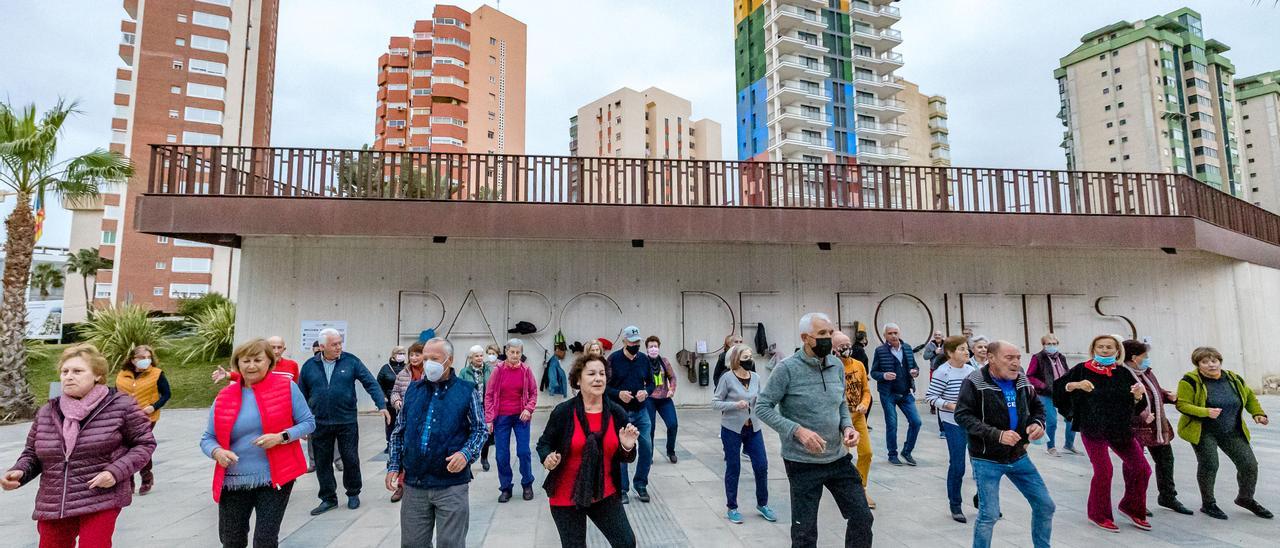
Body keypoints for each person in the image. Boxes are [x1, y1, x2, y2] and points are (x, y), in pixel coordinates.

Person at [2, 344, 157, 547]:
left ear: (97, 376)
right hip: (55, 500)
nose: (68, 376)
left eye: (77, 371)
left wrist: (115, 472)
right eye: (64, 371)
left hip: (100, 496)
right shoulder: (48, 411)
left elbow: (144, 444)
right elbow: (32, 453)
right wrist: (20, 471)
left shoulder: (121, 406)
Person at [756, 312, 873, 548]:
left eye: (830, 333)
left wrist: (847, 426)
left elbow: (840, 402)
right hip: (802, 463)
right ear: (805, 338)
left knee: (862, 517)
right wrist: (797, 431)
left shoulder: (836, 366)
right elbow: (762, 407)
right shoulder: (786, 369)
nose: (828, 339)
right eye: (822, 334)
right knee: (805, 533)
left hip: (838, 459)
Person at [200, 339, 315, 548]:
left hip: (275, 478)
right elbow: (207, 438)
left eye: (257, 360)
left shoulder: (287, 388)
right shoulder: (225, 395)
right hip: (233, 479)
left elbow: (308, 423)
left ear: (269, 362)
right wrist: (217, 452)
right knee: (231, 540)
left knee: (265, 540)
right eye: (246, 361)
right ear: (237, 364)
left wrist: (281, 437)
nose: (251, 366)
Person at [387, 337, 488, 548]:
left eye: (434, 358)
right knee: (413, 543)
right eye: (425, 358)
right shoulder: (413, 390)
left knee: (451, 543)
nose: (428, 363)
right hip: (415, 483)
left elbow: (480, 430)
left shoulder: (466, 391)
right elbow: (399, 430)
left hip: (450, 485)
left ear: (449, 361)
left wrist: (466, 453)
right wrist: (394, 464)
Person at [954, 340, 1054, 548]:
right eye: (1009, 358)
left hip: (1018, 456)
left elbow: (1037, 407)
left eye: (1018, 358)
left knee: (1045, 506)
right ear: (991, 358)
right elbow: (962, 416)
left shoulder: (1022, 379)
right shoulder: (974, 381)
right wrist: (996, 434)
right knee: (989, 515)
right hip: (986, 459)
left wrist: (1037, 423)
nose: (1016, 363)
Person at [537, 355, 641, 548]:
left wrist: (626, 446)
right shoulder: (564, 412)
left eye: (602, 374)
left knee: (626, 542)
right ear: (578, 380)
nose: (598, 378)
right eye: (591, 374)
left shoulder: (617, 413)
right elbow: (544, 444)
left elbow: (626, 456)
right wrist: (547, 458)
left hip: (604, 492)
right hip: (566, 494)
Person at [1054, 334, 1151, 532]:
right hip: (1093, 428)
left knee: (1142, 468)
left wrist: (1137, 396)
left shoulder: (1122, 373)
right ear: (1094, 349)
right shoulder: (1082, 369)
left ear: (1117, 351)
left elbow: (1135, 404)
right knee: (1104, 470)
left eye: (1109, 347)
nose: (1105, 350)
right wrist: (1076, 385)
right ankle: (1099, 514)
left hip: (1120, 428)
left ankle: (1131, 507)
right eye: (1101, 347)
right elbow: (1059, 389)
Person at [297, 328, 391, 515]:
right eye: (334, 344)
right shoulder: (309, 366)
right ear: (322, 346)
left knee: (350, 458)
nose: (339, 347)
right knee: (322, 462)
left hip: (346, 420)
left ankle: (353, 493)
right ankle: (328, 498)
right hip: (320, 422)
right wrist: (301, 423)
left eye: (340, 343)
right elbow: (301, 394)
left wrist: (381, 404)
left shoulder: (351, 361)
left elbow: (370, 382)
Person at [1175, 346, 1272, 520]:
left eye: (1214, 361)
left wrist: (1258, 413)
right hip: (1203, 431)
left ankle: (1245, 498)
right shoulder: (1189, 381)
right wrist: (1205, 412)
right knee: (1210, 464)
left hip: (1231, 430)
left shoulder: (1234, 379)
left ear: (1220, 361)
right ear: (1198, 364)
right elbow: (1182, 404)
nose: (1211, 365)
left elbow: (1249, 397)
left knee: (1249, 465)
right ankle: (1208, 503)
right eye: (1205, 362)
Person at [1120, 340, 1192, 515]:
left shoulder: (1147, 372)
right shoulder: (1121, 375)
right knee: (1135, 466)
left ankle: (1168, 496)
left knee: (1166, 461)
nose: (1147, 359)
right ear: (1134, 357)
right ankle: (1135, 501)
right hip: (1136, 427)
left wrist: (1167, 395)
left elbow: (1154, 391)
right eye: (1145, 356)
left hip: (1157, 426)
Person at [711, 344, 776, 524]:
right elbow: (715, 403)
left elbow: (760, 399)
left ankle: (762, 504)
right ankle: (732, 507)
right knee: (734, 467)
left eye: (750, 357)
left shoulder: (755, 377)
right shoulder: (727, 378)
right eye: (745, 357)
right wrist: (734, 405)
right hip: (731, 428)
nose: (750, 361)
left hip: (753, 427)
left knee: (761, 465)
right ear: (736, 360)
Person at [925, 335, 976, 523]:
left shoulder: (971, 371)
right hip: (953, 423)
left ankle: (983, 500)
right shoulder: (942, 372)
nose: (966, 352)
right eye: (961, 349)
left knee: (982, 464)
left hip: (974, 422)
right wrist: (950, 405)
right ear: (950, 353)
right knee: (958, 465)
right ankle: (955, 505)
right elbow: (931, 397)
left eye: (966, 348)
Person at [606, 325, 658, 504]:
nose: (635, 345)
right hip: (620, 412)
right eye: (632, 342)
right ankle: (621, 488)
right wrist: (618, 394)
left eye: (638, 342)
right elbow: (605, 387)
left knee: (647, 447)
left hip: (641, 411)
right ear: (624, 342)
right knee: (622, 450)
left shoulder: (643, 359)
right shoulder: (613, 359)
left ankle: (641, 483)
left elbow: (651, 383)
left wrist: (646, 392)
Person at [485, 338, 538, 503]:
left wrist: (528, 409)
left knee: (523, 452)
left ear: (521, 354)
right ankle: (506, 487)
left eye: (518, 352)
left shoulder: (526, 370)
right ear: (506, 352)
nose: (515, 355)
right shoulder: (498, 371)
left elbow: (534, 392)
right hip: (502, 417)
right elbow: (488, 395)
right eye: (512, 352)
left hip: (521, 417)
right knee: (501, 455)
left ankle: (527, 483)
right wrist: (489, 418)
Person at [114, 344, 169, 496]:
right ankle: (128, 480)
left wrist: (154, 406)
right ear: (133, 360)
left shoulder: (157, 374)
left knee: (140, 445)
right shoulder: (122, 375)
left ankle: (146, 477)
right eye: (142, 358)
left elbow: (166, 394)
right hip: (125, 416)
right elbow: (116, 394)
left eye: (148, 358)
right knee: (125, 447)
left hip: (147, 416)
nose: (146, 360)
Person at [869, 323, 922, 466]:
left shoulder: (907, 348)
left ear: (899, 333)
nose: (893, 335)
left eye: (895, 333)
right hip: (888, 394)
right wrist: (884, 375)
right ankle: (892, 454)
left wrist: (915, 372)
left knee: (916, 422)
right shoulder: (880, 351)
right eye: (890, 333)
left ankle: (907, 451)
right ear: (885, 336)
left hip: (905, 392)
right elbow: (873, 372)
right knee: (892, 424)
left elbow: (915, 367)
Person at [834, 331, 875, 509]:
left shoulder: (858, 365)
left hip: (858, 417)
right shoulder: (832, 367)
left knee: (866, 452)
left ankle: (861, 487)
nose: (846, 348)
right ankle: (844, 489)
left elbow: (866, 389)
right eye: (842, 346)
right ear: (834, 349)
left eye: (848, 344)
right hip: (839, 419)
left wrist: (865, 403)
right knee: (843, 456)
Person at [1025, 333, 1077, 456]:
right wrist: (1043, 386)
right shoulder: (1037, 357)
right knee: (1052, 421)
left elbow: (1067, 372)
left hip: (1063, 392)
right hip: (1045, 393)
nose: (1052, 346)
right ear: (1043, 345)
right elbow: (1029, 376)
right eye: (1049, 344)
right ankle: (1051, 447)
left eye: (1054, 343)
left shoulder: (1061, 357)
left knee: (1071, 419)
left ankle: (1069, 445)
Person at [458, 344, 495, 471]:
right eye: (476, 356)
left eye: (481, 355)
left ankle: (484, 458)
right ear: (470, 358)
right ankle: (467, 458)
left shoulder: (489, 369)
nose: (479, 358)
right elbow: (460, 389)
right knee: (469, 432)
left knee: (484, 432)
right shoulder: (464, 372)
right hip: (471, 406)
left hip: (485, 405)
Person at [645, 336, 680, 464]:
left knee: (673, 424)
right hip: (649, 398)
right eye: (651, 347)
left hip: (664, 398)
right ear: (647, 349)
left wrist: (672, 389)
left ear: (659, 347)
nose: (653, 349)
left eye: (655, 346)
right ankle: (649, 454)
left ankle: (671, 451)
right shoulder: (643, 362)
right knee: (650, 427)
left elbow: (672, 377)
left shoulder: (664, 362)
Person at [377, 345, 409, 454]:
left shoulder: (407, 367)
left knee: (404, 422)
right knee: (390, 422)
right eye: (399, 353)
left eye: (403, 353)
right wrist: (383, 397)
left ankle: (403, 442)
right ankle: (389, 443)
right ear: (393, 355)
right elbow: (378, 384)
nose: (402, 356)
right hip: (389, 400)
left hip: (404, 400)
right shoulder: (386, 368)